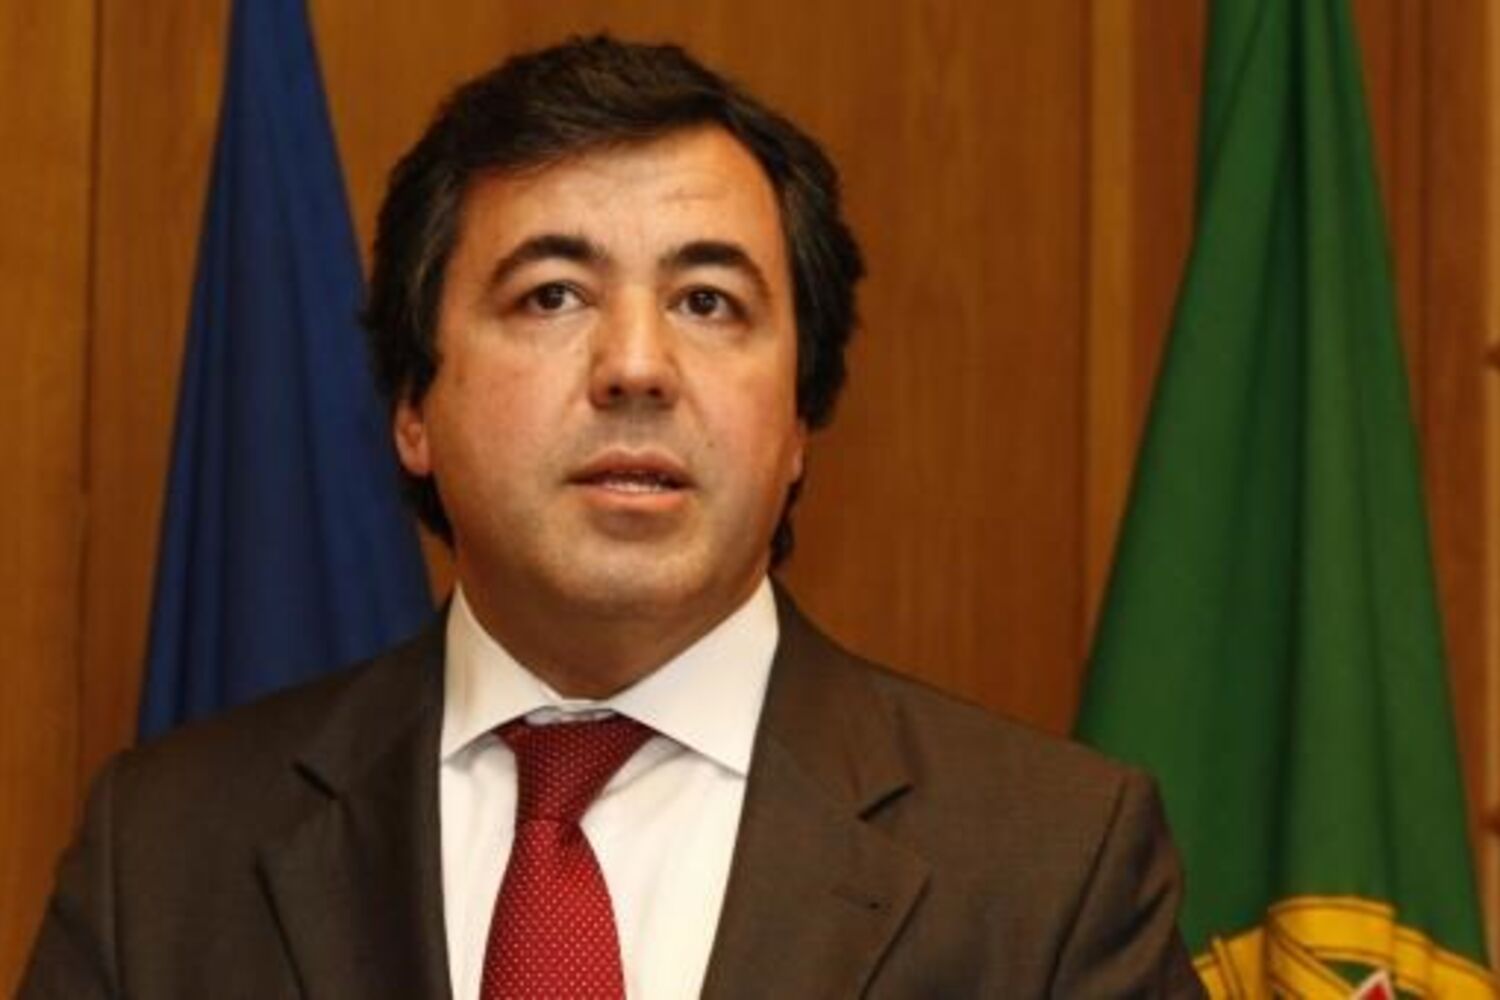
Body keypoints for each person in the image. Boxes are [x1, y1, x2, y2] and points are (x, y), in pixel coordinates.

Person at [22, 36, 1204, 999]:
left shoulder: (1050, 865)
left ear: (799, 419)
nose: (636, 365)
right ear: (413, 406)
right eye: (552, 295)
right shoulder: (163, 853)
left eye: (708, 301)